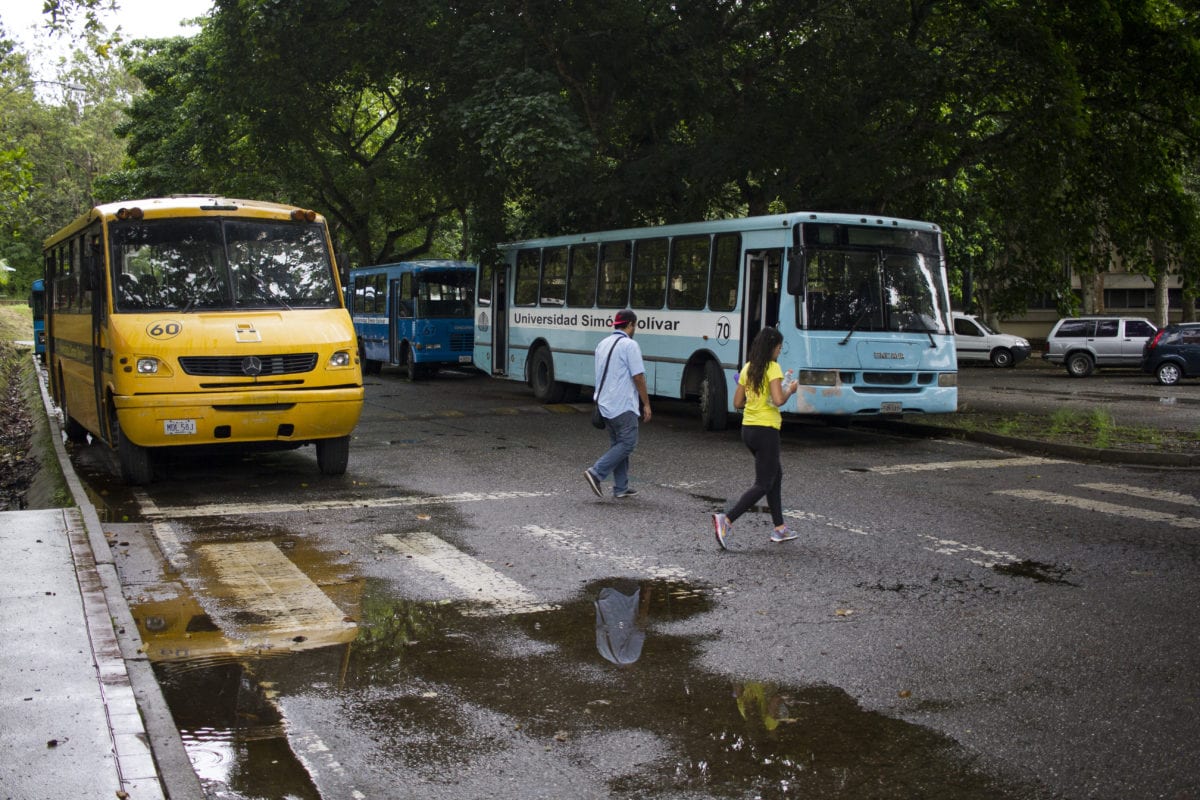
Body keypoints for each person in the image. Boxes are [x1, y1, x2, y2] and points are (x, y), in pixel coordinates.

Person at [712, 327, 798, 549]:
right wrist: (791, 389)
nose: (779, 351)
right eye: (779, 347)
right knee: (763, 483)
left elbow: (737, 403)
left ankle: (780, 529)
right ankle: (727, 520)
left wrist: (756, 400)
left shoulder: (748, 368)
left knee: (775, 476)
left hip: (748, 429)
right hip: (766, 430)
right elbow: (779, 400)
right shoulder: (773, 368)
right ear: (772, 347)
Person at [584, 309, 652, 499]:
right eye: (635, 325)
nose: (635, 329)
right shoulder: (630, 345)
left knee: (618, 443)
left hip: (604, 404)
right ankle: (596, 473)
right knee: (628, 443)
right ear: (630, 324)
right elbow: (638, 376)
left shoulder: (602, 344)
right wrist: (646, 404)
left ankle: (621, 487)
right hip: (622, 404)